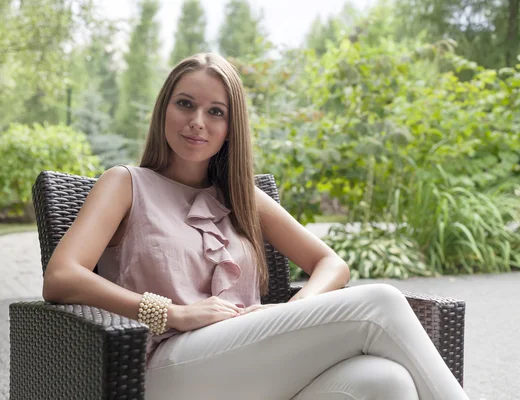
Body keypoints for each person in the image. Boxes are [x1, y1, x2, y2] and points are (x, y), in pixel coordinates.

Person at [42, 53, 469, 400]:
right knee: (381, 303)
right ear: (164, 109)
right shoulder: (126, 183)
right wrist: (173, 312)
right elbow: (61, 277)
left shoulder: (242, 196)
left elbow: (330, 264)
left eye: (216, 112)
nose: (198, 122)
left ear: (230, 129)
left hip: (247, 362)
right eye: (185, 104)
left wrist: (293, 311)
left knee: (385, 381)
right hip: (167, 369)